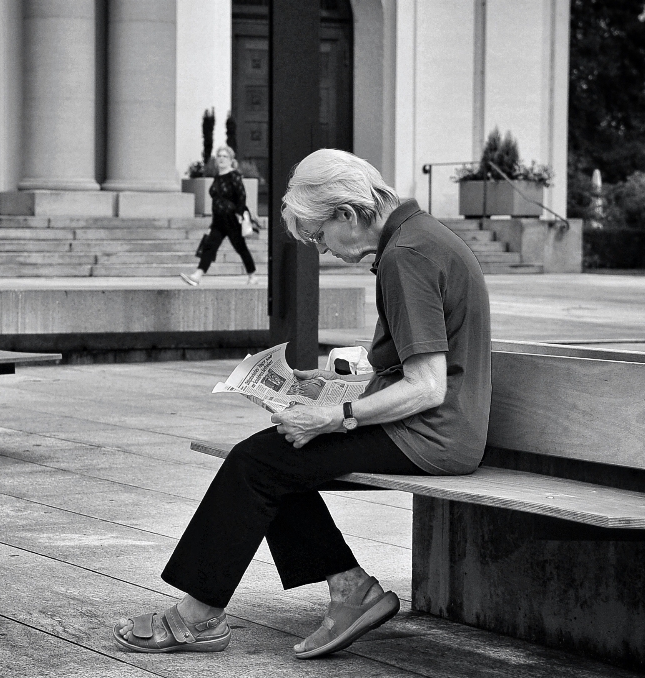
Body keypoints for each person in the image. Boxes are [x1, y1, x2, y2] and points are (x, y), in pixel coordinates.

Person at [113, 149, 492, 658]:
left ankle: (199, 617)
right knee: (274, 460)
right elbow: (415, 367)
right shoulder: (418, 237)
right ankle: (348, 587)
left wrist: (336, 415)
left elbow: (428, 386)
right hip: (438, 427)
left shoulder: (406, 257)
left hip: (432, 435)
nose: (322, 247)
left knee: (257, 462)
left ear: (347, 214)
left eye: (318, 235)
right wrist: (334, 386)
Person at [181, 145, 259, 286]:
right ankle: (197, 275)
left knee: (240, 247)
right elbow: (216, 200)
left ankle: (252, 275)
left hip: (232, 218)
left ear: (231, 160)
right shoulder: (217, 177)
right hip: (218, 220)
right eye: (219, 156)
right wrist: (212, 224)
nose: (221, 159)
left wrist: (240, 215)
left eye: (225, 156)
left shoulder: (234, 176)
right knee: (210, 246)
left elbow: (241, 197)